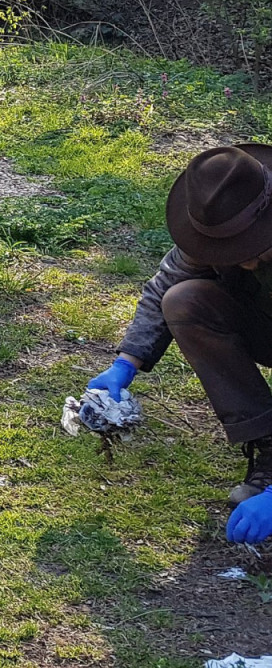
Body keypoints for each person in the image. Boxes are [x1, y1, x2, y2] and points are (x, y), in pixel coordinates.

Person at [88, 144, 272, 544]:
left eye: (249, 246)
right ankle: (268, 442)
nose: (239, 259)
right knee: (184, 300)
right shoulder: (223, 213)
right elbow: (165, 287)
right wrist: (125, 363)